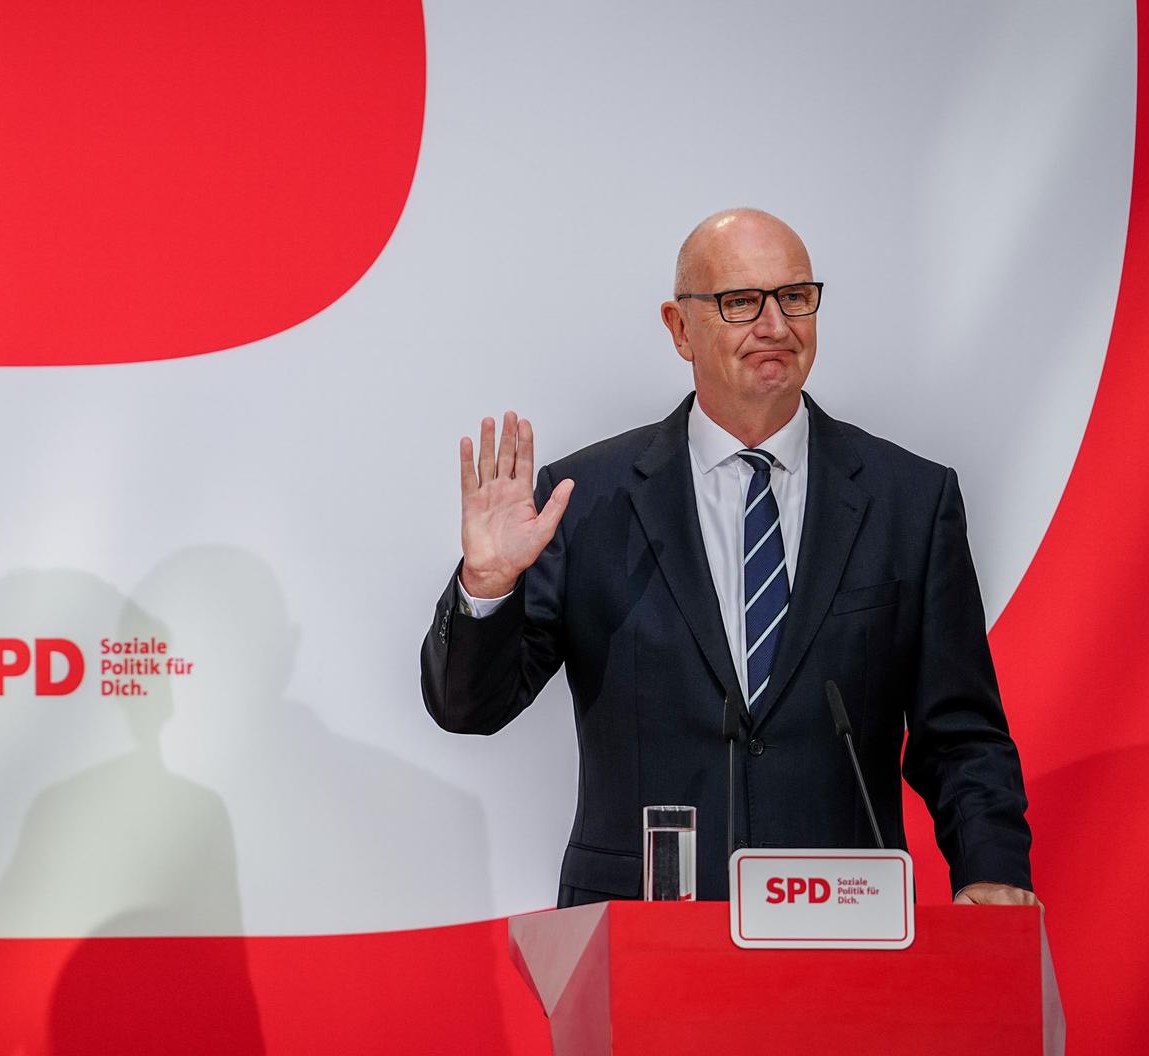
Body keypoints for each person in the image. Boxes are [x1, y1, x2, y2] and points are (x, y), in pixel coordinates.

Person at [420, 208, 1036, 907]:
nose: (774, 325)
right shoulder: (584, 502)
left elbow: (960, 734)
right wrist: (488, 585)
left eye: (795, 298)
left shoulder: (910, 501)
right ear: (680, 328)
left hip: (844, 931)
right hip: (644, 930)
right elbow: (470, 707)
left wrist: (993, 870)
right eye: (741, 302)